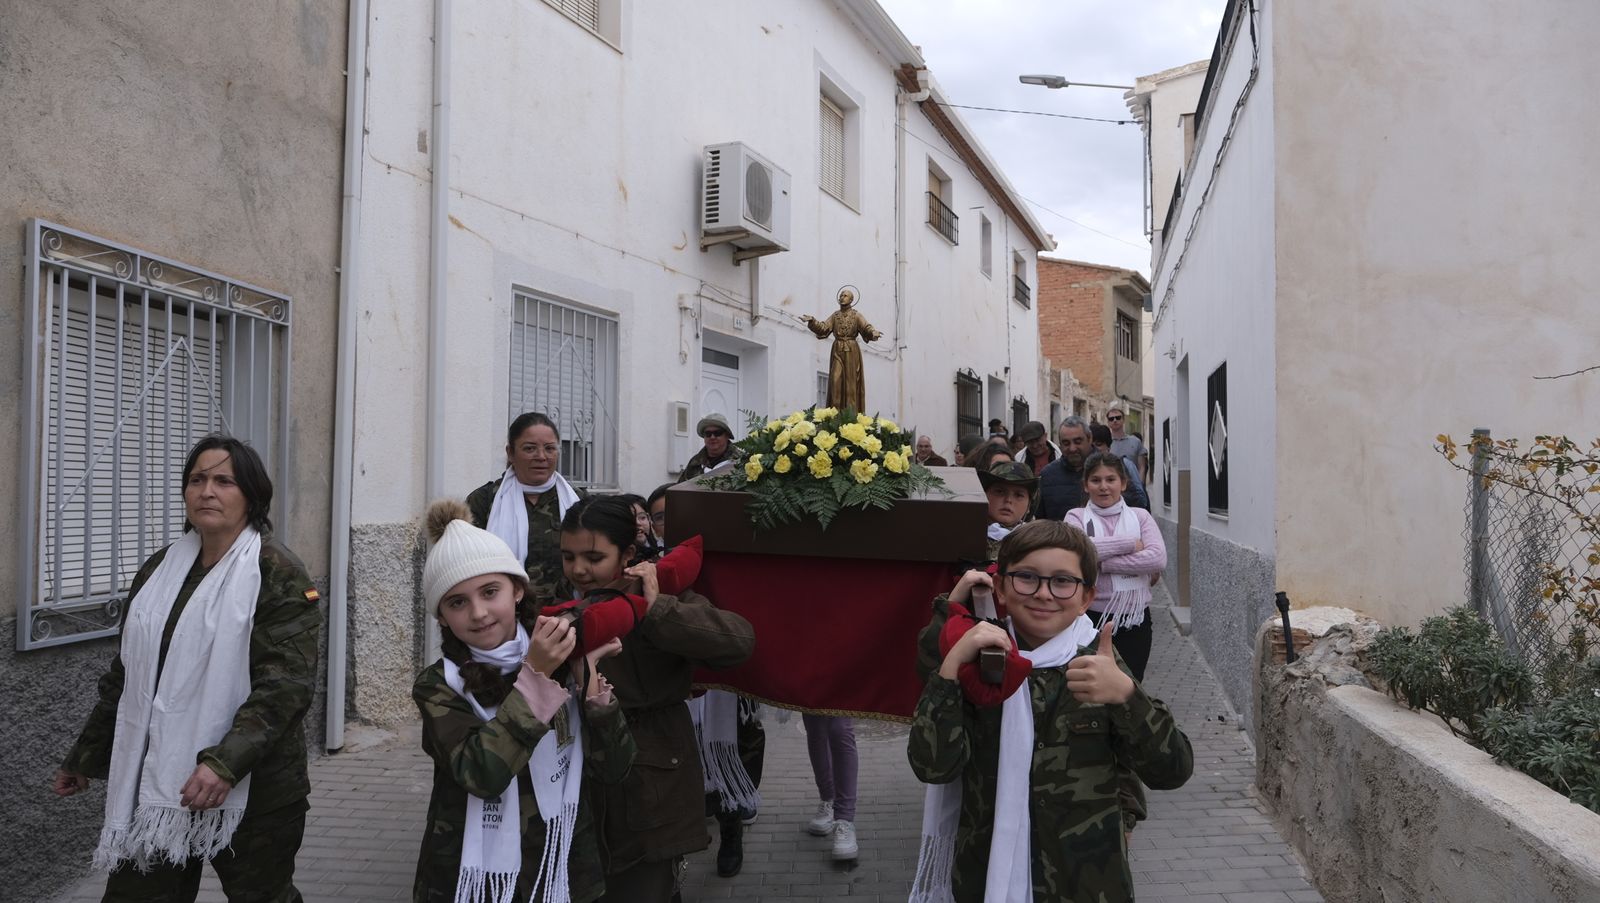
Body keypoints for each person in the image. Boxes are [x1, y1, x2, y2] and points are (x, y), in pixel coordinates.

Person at [56, 434, 322, 902]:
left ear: (252, 495)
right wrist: (86, 755)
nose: (207, 491)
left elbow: (285, 687)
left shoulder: (277, 573)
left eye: (224, 481)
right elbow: (128, 675)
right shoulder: (160, 570)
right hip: (159, 779)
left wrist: (223, 764)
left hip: (255, 788)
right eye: (197, 480)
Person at [907, 521, 1193, 902]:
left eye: (1062, 581)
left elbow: (1172, 770)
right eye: (1027, 577)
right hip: (986, 877)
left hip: (1087, 883)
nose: (1044, 594)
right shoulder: (980, 661)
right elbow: (932, 766)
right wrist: (950, 669)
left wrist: (1127, 696)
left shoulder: (1099, 666)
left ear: (1086, 597)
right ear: (1001, 587)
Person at [412, 500, 635, 903]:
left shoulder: (561, 650)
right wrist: (535, 676)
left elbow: (614, 769)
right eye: (457, 602)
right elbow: (481, 774)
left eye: (490, 591)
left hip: (564, 860)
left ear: (517, 590)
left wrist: (589, 684)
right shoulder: (438, 685)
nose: (479, 613)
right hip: (477, 874)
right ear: (441, 616)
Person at [562, 498, 755, 902]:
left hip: (652, 777)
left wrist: (657, 609)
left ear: (627, 554)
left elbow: (737, 642)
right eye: (568, 556)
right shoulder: (564, 607)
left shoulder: (660, 594)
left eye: (594, 558)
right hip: (581, 779)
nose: (579, 569)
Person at [1065, 453, 1167, 683]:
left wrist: (1103, 563)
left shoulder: (1140, 517)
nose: (1103, 486)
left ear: (1123, 483)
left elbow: (1157, 558)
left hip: (1134, 620)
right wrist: (1130, 543)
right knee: (1090, 685)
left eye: (1110, 479)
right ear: (1085, 485)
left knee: (1130, 685)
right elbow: (1075, 552)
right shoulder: (1075, 516)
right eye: (1096, 480)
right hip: (1088, 617)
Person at [469, 412, 583, 603]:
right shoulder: (485, 501)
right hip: (503, 613)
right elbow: (467, 565)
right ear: (510, 453)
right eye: (530, 448)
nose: (541, 457)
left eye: (550, 448)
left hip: (565, 613)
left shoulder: (578, 501)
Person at [802, 287, 882, 411]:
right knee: (835, 380)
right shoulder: (835, 316)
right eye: (841, 295)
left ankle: (850, 414)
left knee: (851, 383)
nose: (842, 298)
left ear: (851, 300)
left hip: (852, 351)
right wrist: (812, 321)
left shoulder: (856, 315)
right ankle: (834, 414)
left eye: (845, 296)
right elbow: (824, 328)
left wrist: (873, 333)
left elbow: (866, 327)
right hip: (837, 350)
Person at [1036, 416, 1093, 521]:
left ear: (1089, 439)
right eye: (1066, 443)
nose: (1072, 448)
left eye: (1078, 441)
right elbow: (1040, 519)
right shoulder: (1047, 475)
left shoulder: (1110, 470)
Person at [978, 461, 1037, 560]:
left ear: (1029, 506)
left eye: (1018, 495)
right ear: (984, 495)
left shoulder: (1037, 543)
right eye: (1000, 491)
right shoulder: (964, 534)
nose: (1008, 500)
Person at [1089, 423, 1150, 511]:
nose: (1095, 449)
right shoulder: (1084, 469)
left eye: (1099, 444)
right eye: (1091, 445)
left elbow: (1141, 498)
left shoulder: (1126, 465)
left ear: (1108, 446)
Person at [678, 414, 746, 482]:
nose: (712, 437)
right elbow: (680, 486)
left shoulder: (742, 461)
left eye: (717, 433)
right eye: (708, 434)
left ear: (727, 436)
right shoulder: (694, 463)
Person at [1106, 404, 1149, 484]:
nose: (1115, 420)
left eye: (1118, 417)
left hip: (1132, 486)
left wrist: (1139, 486)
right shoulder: (1105, 444)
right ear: (1108, 423)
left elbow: (1142, 467)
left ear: (1123, 420)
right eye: (1111, 419)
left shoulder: (1136, 441)